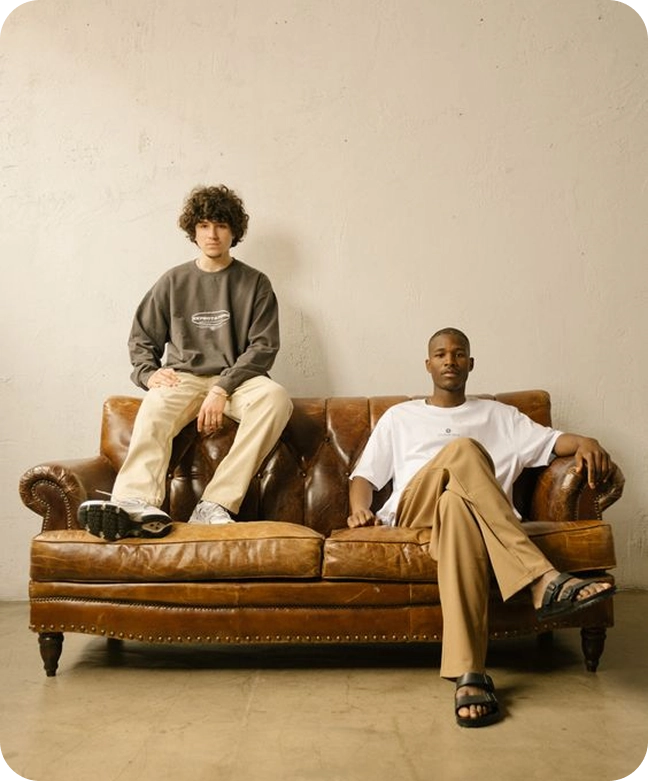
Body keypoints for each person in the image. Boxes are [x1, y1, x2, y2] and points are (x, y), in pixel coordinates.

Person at [347, 327, 616, 728]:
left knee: (458, 506)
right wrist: (357, 510)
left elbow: (556, 442)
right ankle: (542, 578)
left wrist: (588, 441)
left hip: (470, 520)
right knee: (465, 450)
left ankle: (469, 675)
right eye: (440, 354)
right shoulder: (401, 417)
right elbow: (364, 477)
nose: (450, 361)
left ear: (470, 364)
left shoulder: (502, 417)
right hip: (416, 513)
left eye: (458, 354)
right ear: (428, 365)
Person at [78, 185, 293, 540]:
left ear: (234, 231)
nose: (213, 234)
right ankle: (134, 501)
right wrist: (148, 374)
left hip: (238, 380)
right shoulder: (173, 282)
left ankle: (215, 504)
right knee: (156, 404)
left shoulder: (256, 283)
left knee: (276, 398)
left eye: (222, 225)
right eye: (205, 225)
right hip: (184, 378)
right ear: (193, 230)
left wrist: (223, 387)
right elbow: (142, 337)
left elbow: (263, 347)